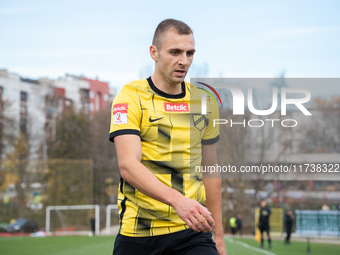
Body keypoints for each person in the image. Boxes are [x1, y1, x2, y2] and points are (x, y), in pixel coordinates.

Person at [109, 19, 227, 255]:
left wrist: (219, 238)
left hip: (193, 233)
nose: (184, 61)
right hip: (139, 234)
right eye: (175, 52)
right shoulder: (130, 96)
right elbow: (128, 165)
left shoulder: (204, 102)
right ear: (154, 53)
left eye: (189, 53)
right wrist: (178, 201)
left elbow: (210, 169)